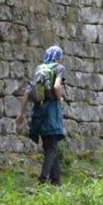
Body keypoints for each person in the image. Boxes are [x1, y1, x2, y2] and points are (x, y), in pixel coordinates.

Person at [15, 45, 66, 186]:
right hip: (51, 112)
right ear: (58, 57)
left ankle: (56, 182)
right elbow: (56, 87)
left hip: (39, 111)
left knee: (49, 145)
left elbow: (26, 93)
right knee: (52, 147)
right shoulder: (58, 68)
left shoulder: (40, 69)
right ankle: (43, 180)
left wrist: (20, 114)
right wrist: (60, 98)